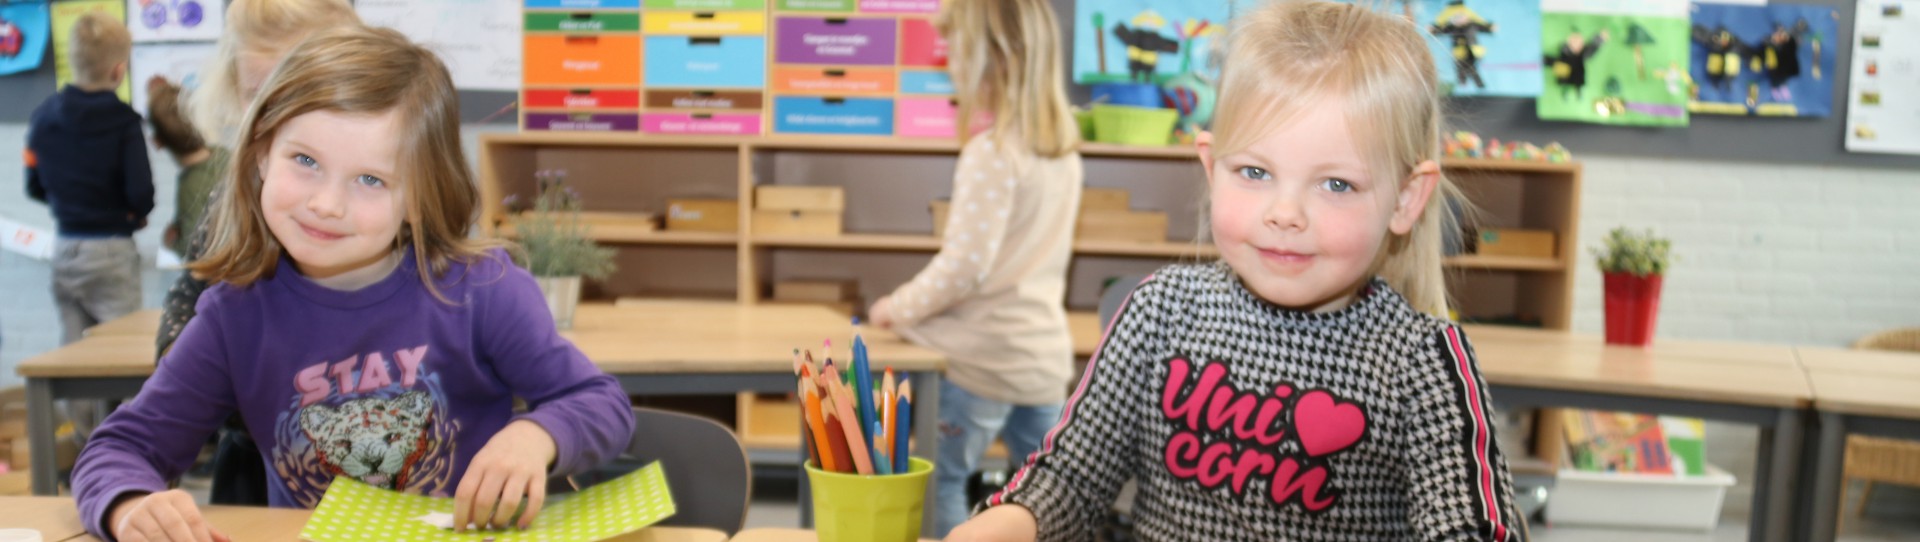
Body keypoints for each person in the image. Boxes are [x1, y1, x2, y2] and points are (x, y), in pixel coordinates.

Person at [947, 2, 1523, 540]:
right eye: (1254, 172)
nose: (1285, 213)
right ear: (1212, 166)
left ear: (1406, 199)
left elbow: (1468, 523)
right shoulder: (1160, 312)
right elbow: (1068, 481)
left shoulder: (1423, 362)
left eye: (1336, 184)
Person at [71, 26, 636, 542]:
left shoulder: (481, 289)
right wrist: (129, 504)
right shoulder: (235, 317)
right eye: (305, 160)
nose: (326, 203)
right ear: (262, 153)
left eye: (370, 179)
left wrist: (536, 436)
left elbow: (600, 403)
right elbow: (122, 447)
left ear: (419, 197)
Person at [864, 0, 1082, 536]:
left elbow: (964, 267)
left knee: (943, 483)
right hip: (1040, 361)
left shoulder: (991, 153)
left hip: (980, 363)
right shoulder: (1063, 153)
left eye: (957, 48)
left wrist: (895, 308)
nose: (949, 62)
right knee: (1051, 496)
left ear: (995, 58)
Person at [149, 0, 362, 507]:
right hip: (256, 480)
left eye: (300, 93)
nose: (275, 116)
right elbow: (183, 317)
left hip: (384, 480)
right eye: (257, 96)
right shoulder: (231, 203)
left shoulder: (387, 198)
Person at [26, 11, 151, 446]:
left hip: (65, 246)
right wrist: (133, 214)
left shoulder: (43, 116)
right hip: (111, 248)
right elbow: (141, 192)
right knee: (129, 355)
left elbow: (34, 185)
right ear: (118, 70)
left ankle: (86, 447)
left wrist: (71, 208)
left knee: (74, 353)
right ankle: (127, 449)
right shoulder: (124, 122)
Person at [144, 76, 224, 257]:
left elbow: (193, 248)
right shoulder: (226, 155)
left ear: (157, 142)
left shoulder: (190, 187)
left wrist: (172, 243)